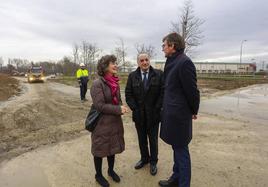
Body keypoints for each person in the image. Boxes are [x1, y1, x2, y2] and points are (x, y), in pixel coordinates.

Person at [159, 33, 200, 187]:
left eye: (164, 45)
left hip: (179, 115)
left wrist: (193, 110)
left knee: (181, 150)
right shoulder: (172, 61)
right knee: (176, 148)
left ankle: (183, 184)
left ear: (172, 46)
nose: (163, 49)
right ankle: (175, 179)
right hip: (172, 114)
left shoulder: (184, 63)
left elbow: (192, 91)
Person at [90, 55, 128, 187]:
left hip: (114, 122)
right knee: (100, 149)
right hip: (101, 124)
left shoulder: (114, 82)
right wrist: (118, 109)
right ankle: (98, 175)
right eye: (113, 63)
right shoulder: (97, 84)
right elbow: (99, 105)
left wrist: (122, 106)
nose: (115, 65)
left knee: (112, 147)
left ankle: (111, 171)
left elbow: (117, 100)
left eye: (115, 63)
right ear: (105, 66)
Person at [125, 53, 163, 175]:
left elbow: (163, 92)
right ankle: (144, 159)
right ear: (138, 62)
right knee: (142, 140)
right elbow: (128, 94)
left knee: (153, 141)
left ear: (149, 60)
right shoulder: (132, 76)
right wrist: (135, 109)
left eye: (146, 60)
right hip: (139, 115)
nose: (145, 62)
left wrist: (157, 108)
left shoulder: (158, 74)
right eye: (142, 60)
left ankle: (153, 162)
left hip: (153, 115)